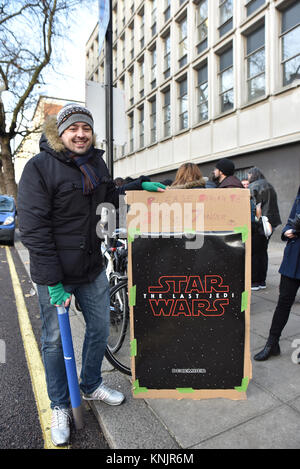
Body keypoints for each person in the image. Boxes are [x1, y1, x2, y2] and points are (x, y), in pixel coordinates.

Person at [17, 103, 165, 446]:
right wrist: (53, 283)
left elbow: (107, 196)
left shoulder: (94, 163)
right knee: (54, 342)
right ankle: (58, 405)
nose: (81, 134)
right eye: (73, 129)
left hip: (91, 269)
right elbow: (34, 230)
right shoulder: (39, 168)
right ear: (60, 133)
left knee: (99, 329)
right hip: (55, 275)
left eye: (86, 128)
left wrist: (137, 185)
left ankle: (90, 385)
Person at [254, 186, 300, 361]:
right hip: (293, 259)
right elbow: (290, 221)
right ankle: (272, 344)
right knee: (283, 302)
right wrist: (287, 231)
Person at [248, 167, 281, 290]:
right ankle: (262, 280)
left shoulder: (253, 186)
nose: (248, 178)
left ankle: (255, 281)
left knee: (255, 253)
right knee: (262, 251)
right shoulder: (269, 185)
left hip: (259, 223)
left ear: (252, 175)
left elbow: (253, 206)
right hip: (270, 222)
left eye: (249, 175)